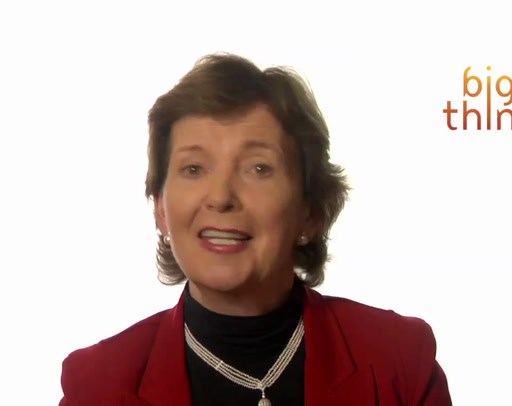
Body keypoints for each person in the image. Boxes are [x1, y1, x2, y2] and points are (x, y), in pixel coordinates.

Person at [59, 53, 452, 405]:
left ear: (310, 212)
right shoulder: (96, 386)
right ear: (161, 209)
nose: (220, 197)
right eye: (193, 168)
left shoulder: (399, 360)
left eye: (258, 168)